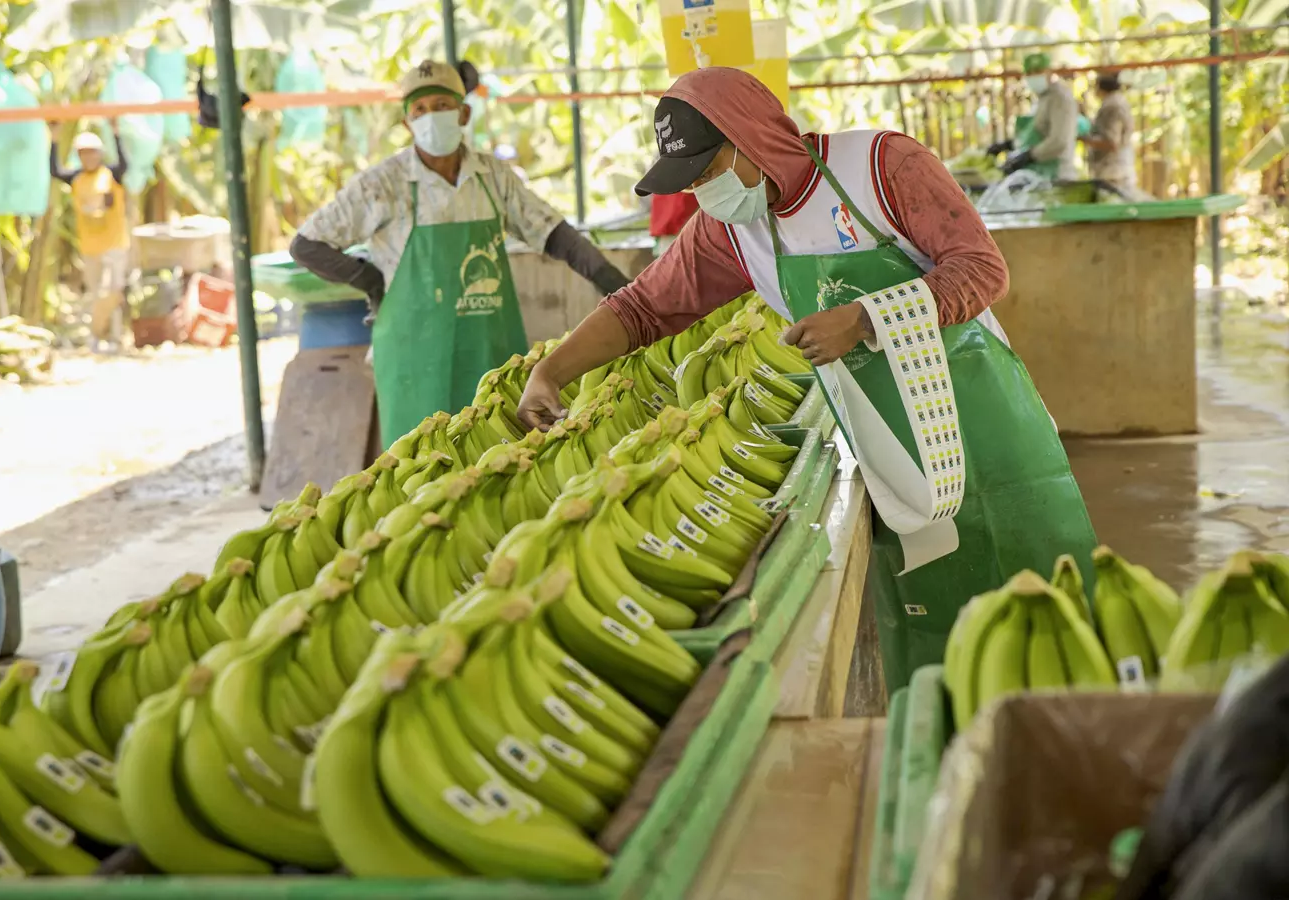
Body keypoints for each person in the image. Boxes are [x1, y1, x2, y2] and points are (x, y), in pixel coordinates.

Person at [516, 66, 1097, 692]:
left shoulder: (879, 168)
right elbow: (643, 308)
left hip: (980, 418)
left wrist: (867, 319)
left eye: (709, 173)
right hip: (888, 446)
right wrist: (551, 371)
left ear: (751, 140)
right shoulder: (732, 231)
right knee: (938, 630)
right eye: (694, 183)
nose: (704, 194)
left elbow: (983, 269)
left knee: (1042, 608)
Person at [289, 60, 632, 446]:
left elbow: (554, 234)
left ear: (463, 113)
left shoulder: (492, 176)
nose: (430, 117)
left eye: (441, 106)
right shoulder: (383, 184)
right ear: (406, 123)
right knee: (421, 461)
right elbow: (306, 245)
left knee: (503, 451)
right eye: (419, 110)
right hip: (414, 359)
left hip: (490, 347)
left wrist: (618, 288)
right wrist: (370, 280)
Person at [50, 124, 130, 351]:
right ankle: (101, 337)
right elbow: (55, 170)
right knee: (98, 295)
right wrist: (55, 139)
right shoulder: (76, 178)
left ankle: (112, 337)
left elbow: (125, 163)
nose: (89, 157)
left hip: (115, 244)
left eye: (93, 152)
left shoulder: (111, 175)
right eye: (84, 153)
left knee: (112, 292)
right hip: (90, 246)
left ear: (100, 154)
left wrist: (116, 132)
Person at [988, 52, 1079, 180]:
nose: (1034, 76)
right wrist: (1010, 144)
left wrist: (1029, 156)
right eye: (1029, 73)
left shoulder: (1060, 99)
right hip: (1037, 176)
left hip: (1056, 176)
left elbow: (1059, 141)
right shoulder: (1041, 99)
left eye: (1038, 71)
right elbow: (1035, 135)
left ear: (1049, 71)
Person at [1083, 70, 1136, 192]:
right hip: (1114, 171)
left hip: (1113, 173)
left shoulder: (1112, 106)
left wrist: (1084, 139)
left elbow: (1111, 142)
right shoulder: (1116, 102)